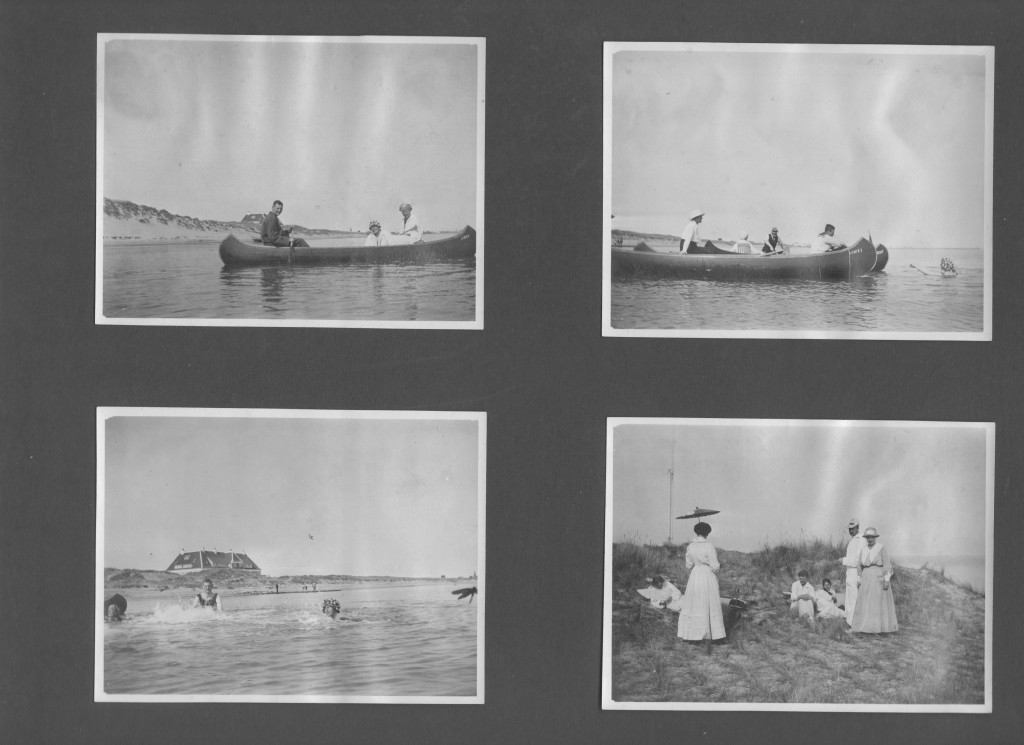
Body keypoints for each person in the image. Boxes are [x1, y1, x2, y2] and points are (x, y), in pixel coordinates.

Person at [677, 521, 726, 641]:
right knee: (709, 603)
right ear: (707, 533)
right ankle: (712, 634)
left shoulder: (690, 546)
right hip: (707, 575)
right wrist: (719, 566)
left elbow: (688, 565)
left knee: (695, 604)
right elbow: (714, 566)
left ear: (696, 532)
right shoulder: (709, 546)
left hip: (695, 575)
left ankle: (693, 635)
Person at [851, 527, 898, 634]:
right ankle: (864, 627)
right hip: (866, 578)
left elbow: (887, 565)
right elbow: (859, 566)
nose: (870, 539)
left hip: (878, 579)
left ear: (875, 537)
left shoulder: (881, 548)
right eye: (868, 537)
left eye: (872, 537)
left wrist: (886, 580)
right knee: (865, 603)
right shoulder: (863, 549)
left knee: (876, 603)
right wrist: (859, 578)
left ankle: (877, 629)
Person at [840, 518, 867, 626]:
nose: (850, 530)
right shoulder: (853, 540)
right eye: (849, 529)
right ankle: (849, 622)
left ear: (857, 528)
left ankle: (853, 624)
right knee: (849, 599)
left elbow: (857, 560)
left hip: (855, 572)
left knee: (853, 599)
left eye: (853, 528)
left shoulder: (860, 540)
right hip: (850, 573)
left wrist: (843, 560)